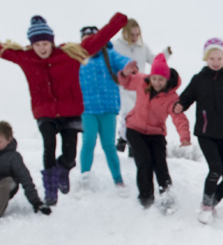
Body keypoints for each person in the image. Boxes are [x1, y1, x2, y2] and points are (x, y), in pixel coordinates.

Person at [0, 11, 127, 205]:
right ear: (31, 44)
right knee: (49, 146)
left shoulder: (68, 54)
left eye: (45, 43)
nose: (41, 48)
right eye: (37, 44)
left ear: (51, 42)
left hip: (70, 110)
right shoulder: (25, 57)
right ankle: (50, 190)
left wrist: (119, 20)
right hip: (45, 112)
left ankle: (64, 170)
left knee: (69, 155)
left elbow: (98, 39)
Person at [175, 38, 223, 224]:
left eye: (219, 58)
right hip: (206, 133)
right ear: (206, 58)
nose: (216, 61)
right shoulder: (198, 80)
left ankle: (212, 203)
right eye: (212, 58)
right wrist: (179, 105)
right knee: (215, 169)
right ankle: (205, 206)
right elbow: (185, 99)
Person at [115, 53, 190, 212]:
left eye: (161, 80)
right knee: (144, 162)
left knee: (160, 164)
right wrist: (124, 73)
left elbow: (179, 117)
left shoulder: (171, 97)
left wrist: (184, 135)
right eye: (154, 78)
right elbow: (125, 82)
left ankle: (167, 197)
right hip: (135, 129)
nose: (157, 83)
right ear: (151, 77)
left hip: (156, 133)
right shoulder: (142, 81)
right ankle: (146, 198)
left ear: (167, 80)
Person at [77, 24, 131, 192]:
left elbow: (124, 62)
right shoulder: (77, 58)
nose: (90, 44)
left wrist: (130, 66)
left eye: (93, 40)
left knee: (108, 145)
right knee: (88, 142)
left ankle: (118, 180)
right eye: (86, 41)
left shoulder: (109, 54)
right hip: (87, 110)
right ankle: (85, 177)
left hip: (108, 108)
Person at [111, 18, 165, 152]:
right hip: (122, 86)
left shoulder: (143, 46)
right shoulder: (116, 46)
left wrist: (165, 55)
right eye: (132, 35)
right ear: (124, 33)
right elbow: (110, 63)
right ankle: (125, 138)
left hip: (140, 87)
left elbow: (154, 60)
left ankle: (129, 143)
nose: (135, 38)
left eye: (137, 34)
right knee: (127, 113)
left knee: (138, 116)